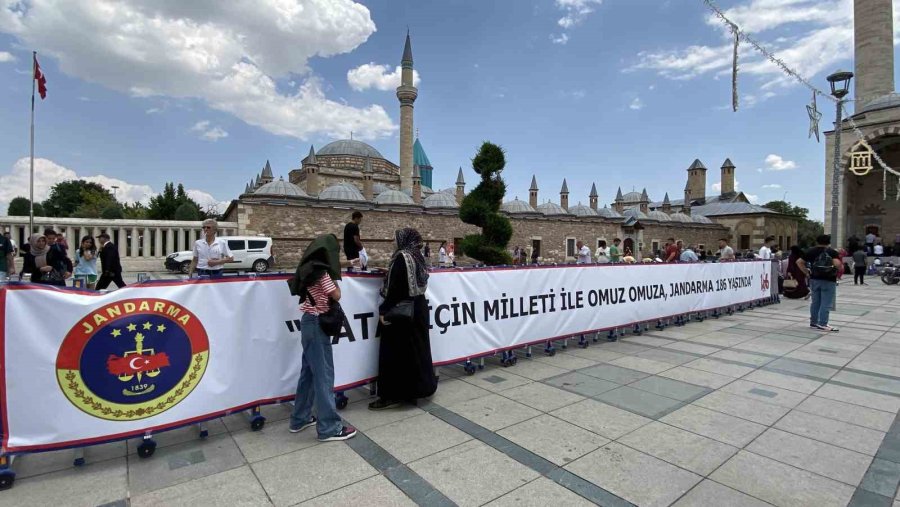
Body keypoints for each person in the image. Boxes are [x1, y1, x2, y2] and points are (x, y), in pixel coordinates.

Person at [288, 234, 357, 441]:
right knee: (324, 375)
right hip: (318, 325)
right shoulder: (322, 272)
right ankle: (328, 427)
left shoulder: (307, 269)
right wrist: (336, 284)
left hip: (308, 322)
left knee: (308, 374)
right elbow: (336, 295)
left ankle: (299, 418)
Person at [369, 228, 437, 410]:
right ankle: (413, 393)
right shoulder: (417, 257)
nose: (394, 242)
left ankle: (391, 395)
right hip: (418, 310)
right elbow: (411, 280)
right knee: (415, 352)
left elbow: (397, 289)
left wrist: (383, 310)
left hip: (402, 312)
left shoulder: (401, 258)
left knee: (394, 354)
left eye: (395, 239)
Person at [797, 234, 842, 332]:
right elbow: (837, 264)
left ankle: (813, 322)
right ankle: (823, 323)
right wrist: (839, 269)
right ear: (829, 242)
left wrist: (806, 272)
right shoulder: (832, 252)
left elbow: (799, 262)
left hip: (814, 279)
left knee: (815, 302)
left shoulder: (811, 251)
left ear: (817, 241)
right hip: (829, 279)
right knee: (826, 302)